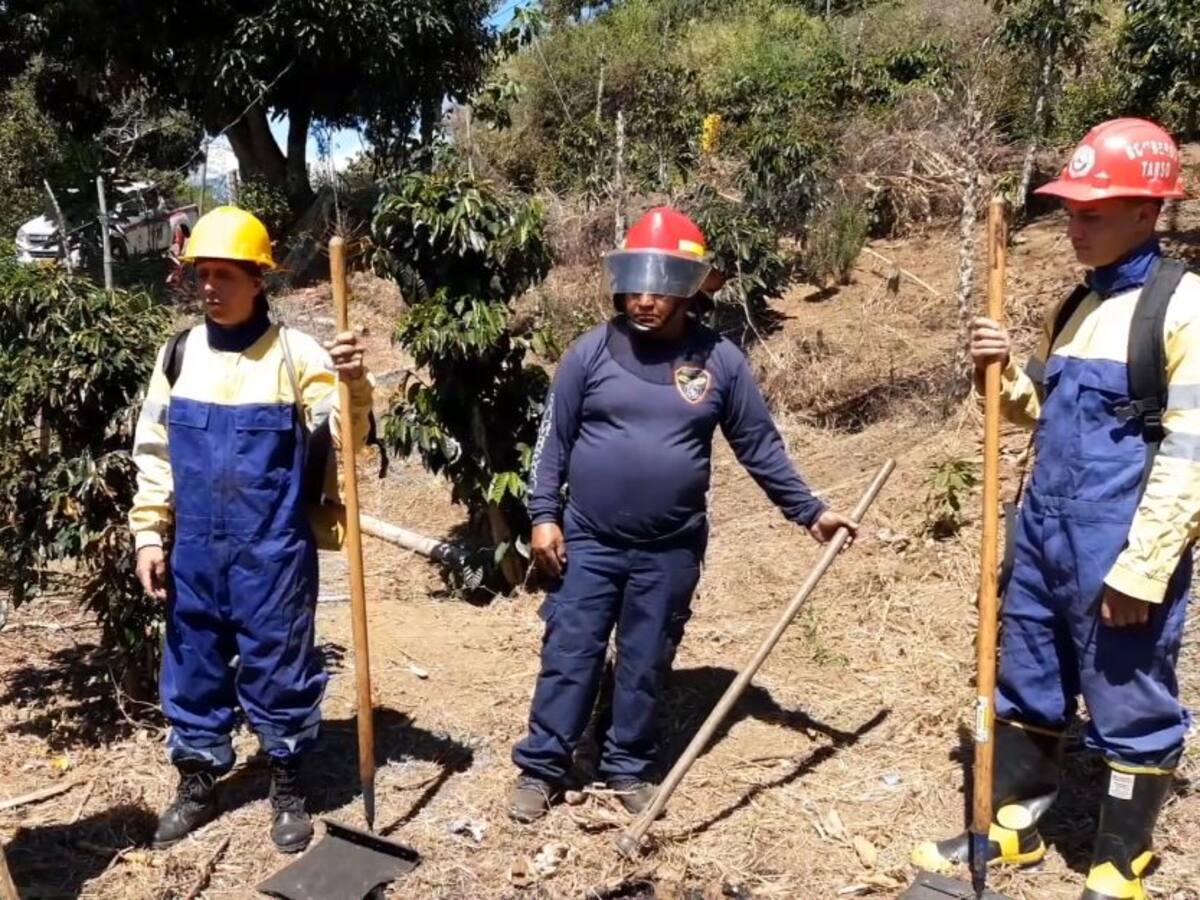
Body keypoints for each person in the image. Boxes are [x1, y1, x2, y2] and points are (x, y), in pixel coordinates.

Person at [912, 118, 1195, 900]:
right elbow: (1038, 409)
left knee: (1127, 696)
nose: (1075, 227)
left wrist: (1144, 566)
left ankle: (1120, 860)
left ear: (1149, 210)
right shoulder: (1078, 304)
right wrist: (998, 373)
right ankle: (1014, 828)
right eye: (1070, 211)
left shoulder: (1181, 308)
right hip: (1041, 530)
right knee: (1028, 674)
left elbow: (1191, 452)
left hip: (1120, 536)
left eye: (1093, 213)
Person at [509, 207, 859, 822]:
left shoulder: (720, 361)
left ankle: (625, 765)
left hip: (670, 547)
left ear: (689, 287)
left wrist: (809, 511)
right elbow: (552, 442)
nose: (644, 300)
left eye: (661, 287)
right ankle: (543, 766)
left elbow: (758, 445)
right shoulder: (589, 353)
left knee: (646, 660)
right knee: (572, 651)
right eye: (635, 286)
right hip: (588, 537)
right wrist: (544, 515)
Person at [129, 207, 373, 852]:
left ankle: (287, 781)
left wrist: (356, 385)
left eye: (225, 275)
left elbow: (350, 435)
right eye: (201, 275)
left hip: (273, 553)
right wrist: (150, 534)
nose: (209, 287)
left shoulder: (297, 356)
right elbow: (153, 452)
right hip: (195, 554)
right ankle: (199, 777)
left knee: (280, 666)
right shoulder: (179, 356)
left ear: (258, 280)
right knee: (192, 667)